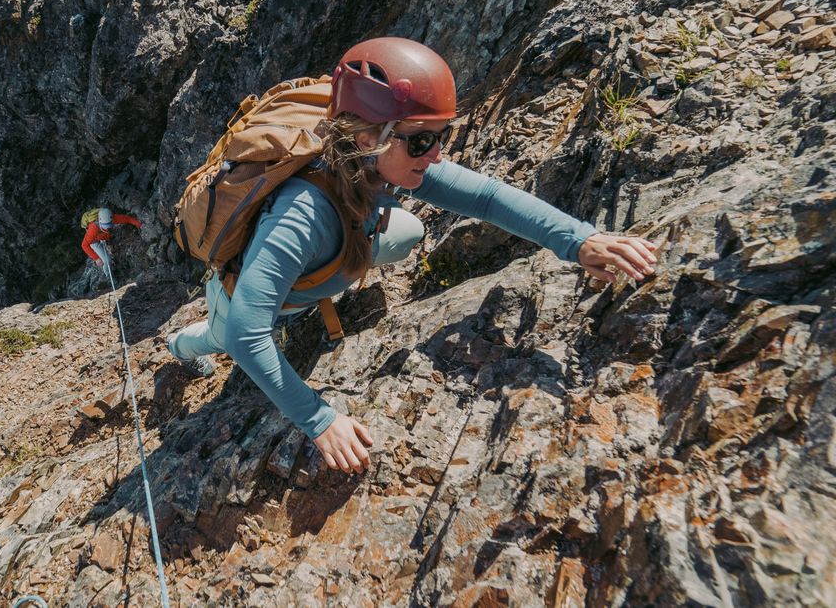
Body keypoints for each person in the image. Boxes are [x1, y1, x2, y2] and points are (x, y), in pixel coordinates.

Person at [166, 37, 659, 475]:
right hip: (240, 305)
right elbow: (247, 332)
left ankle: (309, 288)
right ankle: (180, 350)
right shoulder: (302, 215)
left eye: (440, 136)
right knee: (226, 335)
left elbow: (486, 197)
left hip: (312, 264)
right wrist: (318, 420)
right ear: (368, 138)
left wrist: (578, 240)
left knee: (407, 230)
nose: (437, 155)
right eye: (423, 140)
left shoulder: (375, 163)